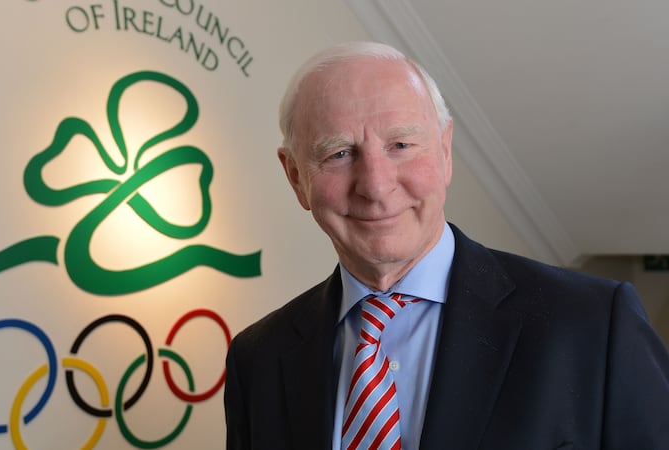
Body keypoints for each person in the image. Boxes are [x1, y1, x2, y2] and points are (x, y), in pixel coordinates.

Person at [223, 41, 669, 449]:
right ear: (296, 177)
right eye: (339, 153)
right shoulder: (258, 360)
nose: (376, 186)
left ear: (445, 150)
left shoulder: (593, 325)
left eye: (400, 144)